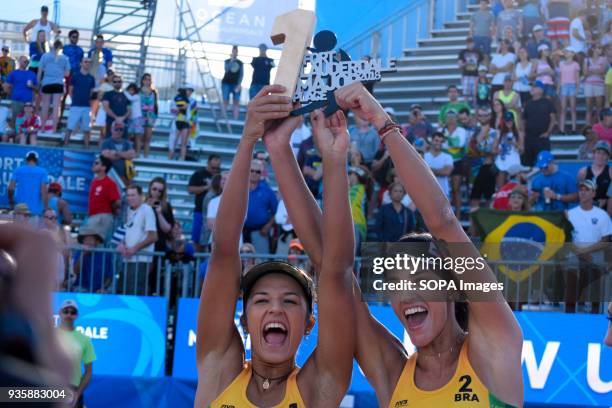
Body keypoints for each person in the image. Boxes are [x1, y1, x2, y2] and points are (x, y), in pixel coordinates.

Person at [272, 81, 524, 407]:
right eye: (396, 283)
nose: (406, 295)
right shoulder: (393, 373)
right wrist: (325, 158)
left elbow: (443, 222)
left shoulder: (495, 347)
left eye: (419, 280)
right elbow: (332, 266)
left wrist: (383, 122)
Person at [194, 84, 355, 408]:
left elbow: (335, 269)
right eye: (262, 299)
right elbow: (224, 250)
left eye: (291, 302)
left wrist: (334, 160)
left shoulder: (319, 386)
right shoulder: (218, 372)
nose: (276, 309)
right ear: (244, 319)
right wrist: (248, 139)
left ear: (311, 324)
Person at [565, 179, 612, 314]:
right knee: (571, 290)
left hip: (594, 257)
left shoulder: (602, 215)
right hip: (574, 257)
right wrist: (580, 252)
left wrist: (584, 251)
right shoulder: (569, 214)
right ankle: (569, 318)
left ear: (593, 193)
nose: (583, 193)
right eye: (581, 190)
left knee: (595, 293)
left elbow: (605, 240)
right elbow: (565, 238)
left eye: (587, 190)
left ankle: (594, 317)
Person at [116, 185, 157, 295]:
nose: (130, 198)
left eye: (133, 195)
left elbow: (153, 236)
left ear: (141, 196)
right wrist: (121, 244)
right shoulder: (128, 211)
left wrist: (134, 249)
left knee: (135, 293)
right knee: (124, 293)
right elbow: (125, 232)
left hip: (141, 260)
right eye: (128, 195)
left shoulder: (147, 210)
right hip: (127, 259)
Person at [56, 300, 95, 407]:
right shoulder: (49, 334)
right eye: (66, 311)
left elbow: (88, 371)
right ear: (60, 312)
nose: (69, 315)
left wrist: (78, 393)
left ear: (76, 315)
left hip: (72, 389)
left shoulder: (85, 339)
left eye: (72, 312)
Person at [243, 159, 278, 254]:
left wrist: (268, 226)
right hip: (240, 232)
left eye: (257, 171)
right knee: (239, 264)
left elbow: (277, 212)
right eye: (252, 170)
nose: (254, 173)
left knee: (261, 264)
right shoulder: (239, 188)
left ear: (261, 174)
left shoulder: (268, 191)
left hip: (260, 232)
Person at [188, 154, 221, 248]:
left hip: (216, 213)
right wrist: (207, 187)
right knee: (197, 239)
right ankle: (199, 261)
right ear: (208, 163)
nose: (215, 170)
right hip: (200, 211)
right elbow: (190, 189)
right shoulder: (199, 174)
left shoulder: (220, 176)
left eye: (217, 168)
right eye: (213, 167)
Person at [85, 155, 120, 242]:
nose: (93, 165)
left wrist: (108, 213)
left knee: (96, 244)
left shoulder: (110, 183)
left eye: (96, 163)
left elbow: (117, 202)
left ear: (104, 167)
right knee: (90, 245)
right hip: (93, 217)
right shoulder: (94, 181)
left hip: (102, 217)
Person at [441, 111, 469, 218]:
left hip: (458, 162)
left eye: (453, 117)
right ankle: (445, 214)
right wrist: (450, 142)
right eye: (449, 117)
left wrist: (447, 140)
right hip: (444, 161)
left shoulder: (461, 130)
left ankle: (456, 215)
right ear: (445, 119)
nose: (451, 119)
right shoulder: (441, 130)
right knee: (442, 190)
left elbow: (459, 144)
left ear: (457, 119)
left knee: (456, 189)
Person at [522, 80, 556, 166]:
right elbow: (523, 120)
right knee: (527, 164)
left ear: (541, 90)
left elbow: (553, 119)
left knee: (544, 164)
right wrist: (523, 134)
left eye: (534, 87)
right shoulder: (527, 103)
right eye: (532, 87)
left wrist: (548, 132)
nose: (532, 89)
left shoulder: (548, 103)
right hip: (529, 139)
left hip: (542, 139)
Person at [8, 151, 48, 225]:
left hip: (20, 210)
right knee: (31, 236)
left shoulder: (18, 170)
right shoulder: (42, 172)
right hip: (34, 212)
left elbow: (10, 188)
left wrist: (11, 202)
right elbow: (43, 192)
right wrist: (46, 208)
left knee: (18, 235)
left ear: (26, 160)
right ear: (37, 160)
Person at [469, 107, 498, 209]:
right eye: (481, 115)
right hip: (474, 168)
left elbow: (494, 151)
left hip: (488, 167)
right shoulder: (473, 131)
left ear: (490, 116)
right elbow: (470, 149)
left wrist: (479, 149)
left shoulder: (495, 132)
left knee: (489, 198)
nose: (483, 117)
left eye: (486, 115)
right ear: (477, 117)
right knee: (474, 197)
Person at [64, 57, 95, 147]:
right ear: (81, 63)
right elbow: (70, 91)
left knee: (87, 129)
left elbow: (91, 93)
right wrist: (75, 101)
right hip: (76, 106)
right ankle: (65, 146)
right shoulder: (75, 76)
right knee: (70, 127)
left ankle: (87, 147)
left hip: (86, 107)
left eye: (89, 62)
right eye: (85, 62)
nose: (87, 63)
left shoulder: (91, 78)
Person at [72, 227, 113, 292]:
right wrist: (82, 255)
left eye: (90, 239)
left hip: (99, 289)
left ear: (97, 242)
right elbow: (75, 271)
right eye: (85, 240)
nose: (88, 242)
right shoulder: (79, 252)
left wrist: (103, 288)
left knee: (108, 293)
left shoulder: (105, 255)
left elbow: (109, 277)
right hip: (81, 288)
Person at [3, 56, 37, 131]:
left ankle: (24, 140)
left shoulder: (32, 74)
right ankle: (14, 138)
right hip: (16, 101)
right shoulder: (14, 73)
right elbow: (6, 86)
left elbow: (37, 89)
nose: (26, 63)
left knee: (28, 122)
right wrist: (12, 94)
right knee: (14, 121)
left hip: (28, 103)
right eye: (24, 61)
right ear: (19, 62)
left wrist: (32, 86)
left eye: (27, 61)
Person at [577, 140, 612, 209]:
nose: (601, 156)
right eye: (598, 153)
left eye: (604, 154)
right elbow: (580, 195)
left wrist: (606, 200)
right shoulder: (583, 172)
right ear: (594, 154)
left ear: (608, 157)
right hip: (588, 208)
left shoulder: (610, 172)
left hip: (606, 209)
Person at [100, 121, 136, 186]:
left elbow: (132, 155)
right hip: (109, 176)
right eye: (116, 129)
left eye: (121, 129)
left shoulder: (127, 143)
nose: (118, 131)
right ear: (111, 129)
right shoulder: (105, 143)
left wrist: (116, 153)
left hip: (125, 177)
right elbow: (106, 155)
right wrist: (125, 155)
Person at [494, 111, 524, 187]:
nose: (509, 122)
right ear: (504, 121)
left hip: (514, 161)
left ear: (513, 120)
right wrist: (498, 151)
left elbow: (522, 150)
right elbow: (494, 149)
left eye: (510, 120)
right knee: (500, 188)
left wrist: (514, 143)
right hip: (502, 161)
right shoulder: (499, 133)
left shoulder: (518, 133)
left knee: (516, 187)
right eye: (507, 121)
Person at [60, 29, 85, 121]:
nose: (75, 39)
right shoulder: (65, 48)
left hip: (76, 76)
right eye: (74, 37)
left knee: (75, 97)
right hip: (66, 75)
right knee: (63, 96)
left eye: (77, 37)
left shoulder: (80, 50)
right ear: (70, 37)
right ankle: (59, 118)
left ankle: (74, 120)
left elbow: (82, 63)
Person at [424, 132, 454, 198]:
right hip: (425, 191)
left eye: (441, 141)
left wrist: (426, 170)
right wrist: (439, 171)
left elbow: (446, 172)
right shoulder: (424, 156)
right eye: (436, 140)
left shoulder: (448, 157)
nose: (438, 143)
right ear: (431, 141)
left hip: (443, 192)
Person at [583, 45, 607, 126]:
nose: (600, 50)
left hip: (599, 84)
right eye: (599, 48)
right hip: (588, 84)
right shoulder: (586, 60)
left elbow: (603, 71)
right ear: (593, 49)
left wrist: (591, 71)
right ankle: (588, 127)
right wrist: (597, 71)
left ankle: (600, 126)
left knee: (599, 107)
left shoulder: (603, 59)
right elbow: (585, 73)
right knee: (588, 108)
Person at [557, 47, 580, 133]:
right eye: (566, 51)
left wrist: (577, 89)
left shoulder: (576, 64)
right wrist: (558, 88)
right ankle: (561, 129)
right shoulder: (561, 64)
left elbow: (577, 78)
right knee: (563, 108)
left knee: (573, 108)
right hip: (564, 86)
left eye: (568, 51)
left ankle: (574, 128)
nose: (566, 53)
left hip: (572, 86)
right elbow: (560, 77)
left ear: (573, 54)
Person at [102, 74, 131, 139]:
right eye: (115, 82)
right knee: (109, 142)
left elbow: (129, 109)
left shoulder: (127, 94)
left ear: (122, 82)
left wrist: (122, 118)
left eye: (119, 81)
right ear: (112, 83)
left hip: (124, 123)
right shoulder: (107, 94)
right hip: (111, 122)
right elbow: (106, 108)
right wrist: (116, 118)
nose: (117, 83)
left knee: (123, 143)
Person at [458, 38, 483, 106]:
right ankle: (466, 110)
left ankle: (475, 111)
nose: (470, 45)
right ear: (466, 44)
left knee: (475, 95)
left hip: (475, 75)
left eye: (471, 43)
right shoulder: (463, 52)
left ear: (473, 43)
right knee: (466, 95)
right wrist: (466, 63)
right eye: (468, 43)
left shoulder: (478, 52)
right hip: (466, 75)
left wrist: (481, 74)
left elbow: (482, 63)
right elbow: (459, 65)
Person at [221, 45, 243, 120]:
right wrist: (231, 60)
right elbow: (226, 70)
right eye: (233, 51)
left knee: (236, 101)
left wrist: (239, 84)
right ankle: (224, 117)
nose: (235, 53)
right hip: (226, 83)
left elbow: (241, 74)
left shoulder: (240, 63)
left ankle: (235, 118)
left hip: (235, 84)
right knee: (225, 100)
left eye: (236, 51)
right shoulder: (227, 61)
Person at [139, 73, 158, 158]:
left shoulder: (153, 92)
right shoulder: (138, 91)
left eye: (149, 79)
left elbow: (155, 105)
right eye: (146, 79)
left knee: (148, 137)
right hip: (140, 116)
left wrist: (155, 117)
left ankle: (146, 156)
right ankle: (138, 155)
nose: (147, 81)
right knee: (140, 137)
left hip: (150, 116)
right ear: (142, 81)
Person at [170, 86, 191, 160]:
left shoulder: (188, 100)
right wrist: (179, 109)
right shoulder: (176, 99)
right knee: (174, 141)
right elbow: (173, 110)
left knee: (183, 142)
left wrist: (179, 108)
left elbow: (187, 108)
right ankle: (171, 158)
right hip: (178, 121)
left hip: (184, 121)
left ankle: (182, 158)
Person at [124, 82, 144, 153]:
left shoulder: (137, 96)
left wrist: (125, 92)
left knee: (137, 137)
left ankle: (137, 153)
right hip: (130, 119)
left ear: (135, 91)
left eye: (132, 90)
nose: (131, 91)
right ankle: (129, 152)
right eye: (130, 90)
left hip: (137, 118)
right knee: (129, 137)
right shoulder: (127, 98)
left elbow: (130, 98)